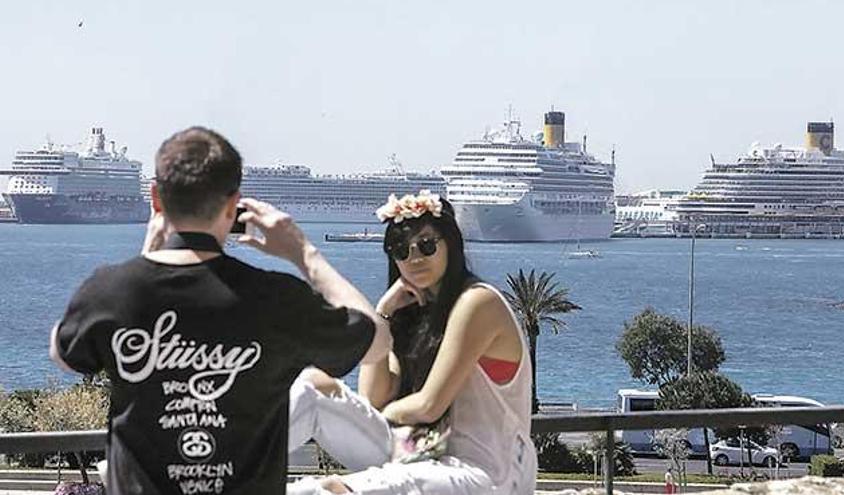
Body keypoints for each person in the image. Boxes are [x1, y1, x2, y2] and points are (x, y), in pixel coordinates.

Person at [48, 126, 391, 495]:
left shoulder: (112, 290)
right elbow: (378, 342)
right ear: (234, 206)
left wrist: (147, 259)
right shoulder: (277, 297)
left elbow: (64, 355)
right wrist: (302, 253)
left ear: (156, 199)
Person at [286, 190, 537, 495]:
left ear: (451, 245)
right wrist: (383, 315)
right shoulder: (412, 313)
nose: (414, 257)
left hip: (486, 474)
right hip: (418, 449)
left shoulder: (478, 302)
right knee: (313, 385)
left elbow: (429, 406)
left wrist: (383, 416)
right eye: (401, 249)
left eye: (427, 245)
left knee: (318, 491)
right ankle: (232, 462)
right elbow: (373, 397)